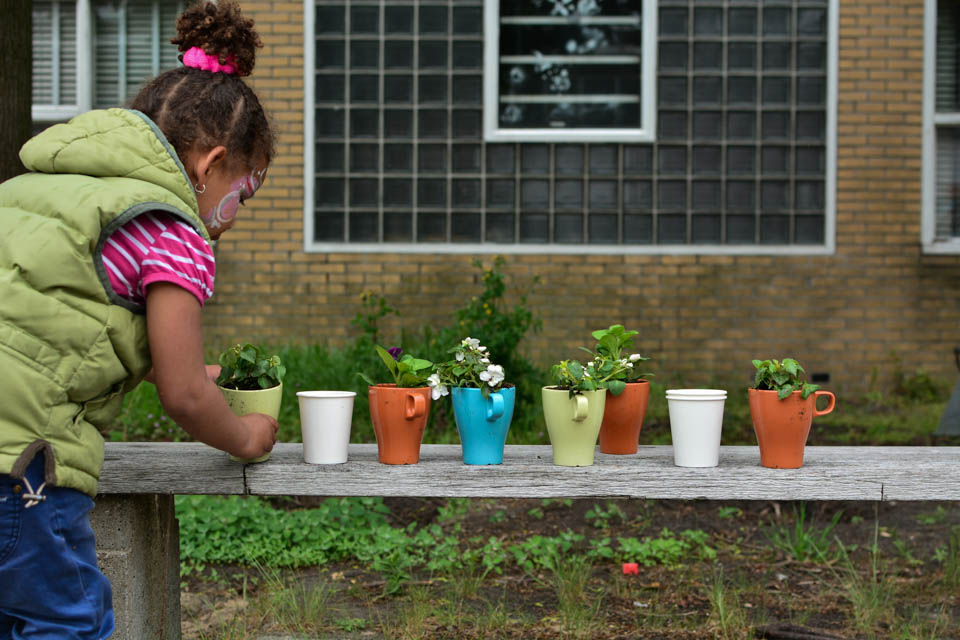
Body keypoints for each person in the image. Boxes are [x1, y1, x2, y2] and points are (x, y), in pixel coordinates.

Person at [0, 2, 278, 637]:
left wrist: (189, 371)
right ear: (210, 166)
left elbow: (51, 322)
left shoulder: (31, 191)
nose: (231, 218)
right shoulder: (172, 231)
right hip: (20, 470)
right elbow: (184, 396)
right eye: (242, 195)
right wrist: (244, 435)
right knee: (65, 623)